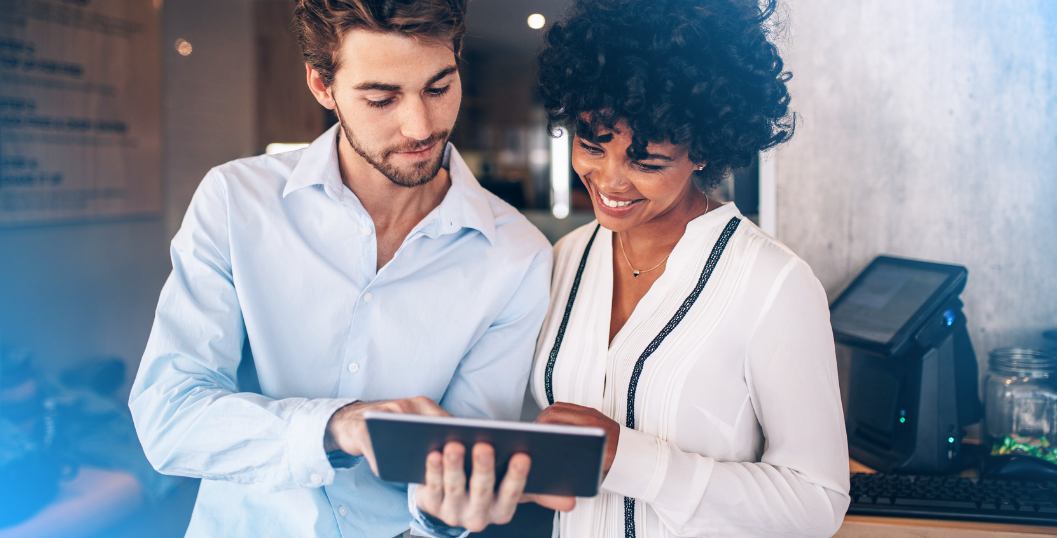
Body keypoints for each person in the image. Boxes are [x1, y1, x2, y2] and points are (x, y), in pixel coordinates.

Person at [128, 0, 556, 536]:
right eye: (381, 98)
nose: (420, 126)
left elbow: (459, 470)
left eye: (439, 88)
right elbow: (170, 417)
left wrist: (446, 514)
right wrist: (337, 426)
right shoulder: (237, 201)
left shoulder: (517, 254)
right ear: (322, 87)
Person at [529, 0, 851, 536]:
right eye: (591, 147)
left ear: (702, 149)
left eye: (646, 162)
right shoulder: (564, 259)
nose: (609, 181)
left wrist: (629, 459)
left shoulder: (774, 284)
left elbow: (818, 501)